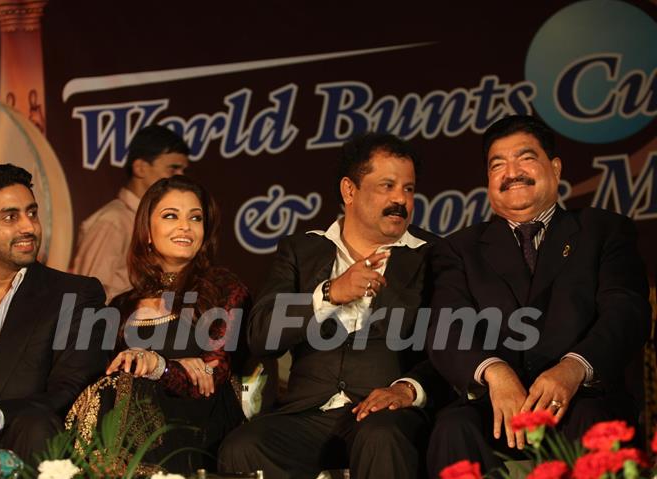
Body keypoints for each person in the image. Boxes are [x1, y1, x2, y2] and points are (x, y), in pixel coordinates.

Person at [425, 115, 651, 476]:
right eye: (497, 164)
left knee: (594, 424)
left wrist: (573, 368)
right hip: (497, 406)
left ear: (555, 168)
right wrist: (495, 373)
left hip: (582, 398)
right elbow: (445, 329)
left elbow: (626, 311)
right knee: (454, 428)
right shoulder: (459, 249)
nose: (511, 171)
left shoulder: (603, 230)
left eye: (525, 158)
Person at [219, 133, 451, 479]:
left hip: (386, 413)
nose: (400, 200)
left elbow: (451, 346)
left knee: (381, 436)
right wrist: (328, 295)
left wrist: (406, 389)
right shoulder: (301, 250)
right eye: (387, 186)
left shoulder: (433, 255)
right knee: (242, 449)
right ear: (349, 190)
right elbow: (260, 335)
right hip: (307, 413)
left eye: (408, 189)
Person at [66, 175, 249, 475]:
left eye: (195, 218)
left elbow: (214, 375)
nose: (185, 227)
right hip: (136, 428)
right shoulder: (122, 306)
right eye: (170, 216)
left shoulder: (224, 289)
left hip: (203, 419)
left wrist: (160, 366)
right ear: (147, 232)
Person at [0, 164, 107, 463]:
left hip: (35, 448)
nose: (29, 227)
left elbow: (74, 390)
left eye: (32, 213)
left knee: (35, 425)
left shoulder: (78, 294)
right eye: (10, 217)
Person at [72, 125, 190, 302]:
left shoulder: (157, 221)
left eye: (183, 171)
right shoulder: (112, 222)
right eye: (173, 169)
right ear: (140, 168)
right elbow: (88, 298)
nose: (180, 177)